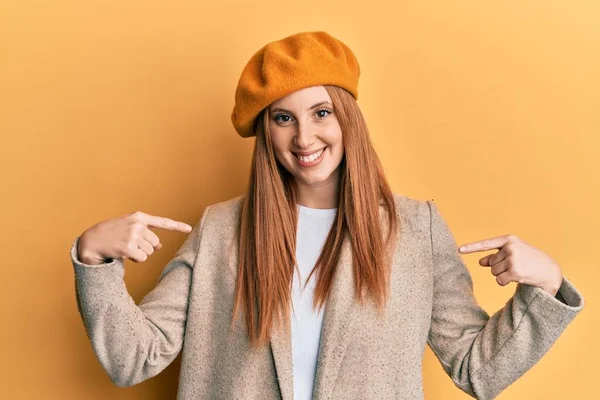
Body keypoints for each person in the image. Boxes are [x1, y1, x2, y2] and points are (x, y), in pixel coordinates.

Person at [70, 31, 584, 400]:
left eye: (321, 112)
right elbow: (133, 360)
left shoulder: (414, 229)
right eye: (283, 118)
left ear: (348, 118)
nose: (305, 137)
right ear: (265, 133)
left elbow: (478, 371)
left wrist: (545, 287)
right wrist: (95, 260)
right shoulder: (222, 229)